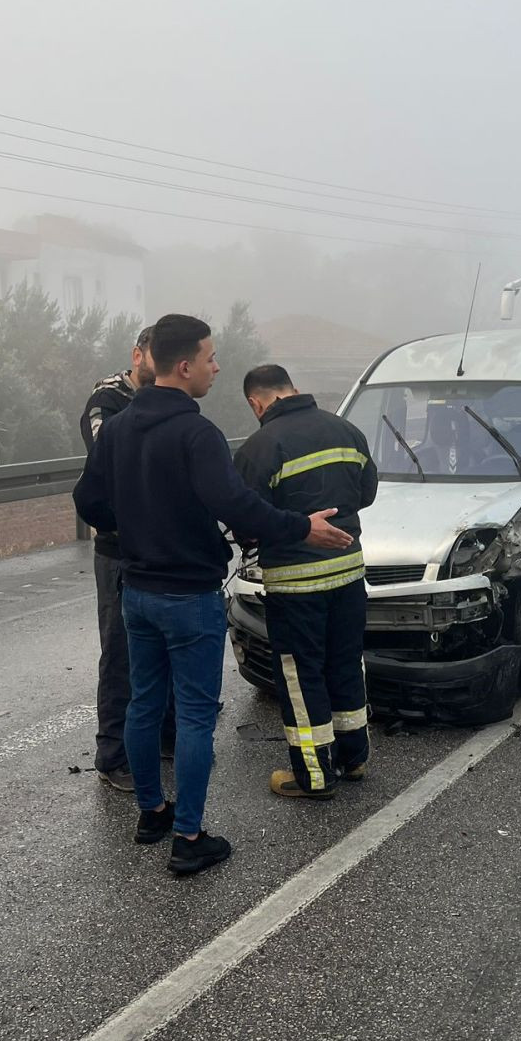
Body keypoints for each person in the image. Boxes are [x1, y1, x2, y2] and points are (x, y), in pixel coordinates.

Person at [73, 315, 353, 878]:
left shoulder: (123, 427)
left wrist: (136, 527)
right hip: (189, 595)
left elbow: (89, 502)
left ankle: (152, 812)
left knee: (145, 703)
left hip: (138, 589)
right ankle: (189, 835)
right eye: (209, 357)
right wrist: (304, 528)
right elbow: (240, 508)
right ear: (183, 366)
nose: (216, 367)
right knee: (197, 717)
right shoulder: (196, 434)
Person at [234, 365, 378, 799]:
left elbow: (248, 521)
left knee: (301, 675)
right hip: (349, 574)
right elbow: (366, 493)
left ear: (255, 403)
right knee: (346, 662)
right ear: (292, 390)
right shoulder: (347, 430)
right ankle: (354, 758)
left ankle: (314, 776)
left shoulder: (259, 447)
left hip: (296, 586)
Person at [79, 325, 175, 790]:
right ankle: (113, 756)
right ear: (138, 356)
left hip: (162, 542)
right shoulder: (109, 400)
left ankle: (167, 736)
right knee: (120, 651)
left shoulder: (166, 395)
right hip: (119, 546)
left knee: (169, 642)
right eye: (156, 361)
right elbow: (112, 461)